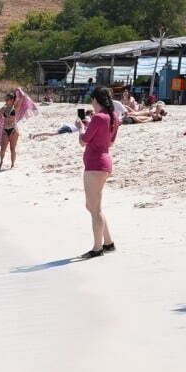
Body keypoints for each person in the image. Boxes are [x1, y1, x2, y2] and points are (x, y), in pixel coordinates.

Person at [78, 86, 118, 258]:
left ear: (95, 100)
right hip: (103, 163)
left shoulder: (98, 117)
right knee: (93, 207)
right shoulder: (113, 117)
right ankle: (108, 242)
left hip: (95, 165)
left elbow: (83, 141)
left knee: (95, 210)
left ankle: (97, 248)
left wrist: (80, 128)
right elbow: (109, 142)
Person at [0, 92, 21, 169]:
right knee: (2, 149)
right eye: (5, 99)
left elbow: (22, 97)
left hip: (13, 130)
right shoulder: (4, 108)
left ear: (12, 100)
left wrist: (19, 90)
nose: (5, 101)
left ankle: (12, 164)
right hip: (5, 130)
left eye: (7, 99)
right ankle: (1, 161)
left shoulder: (15, 107)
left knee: (12, 149)